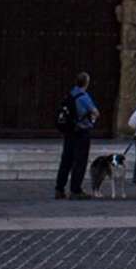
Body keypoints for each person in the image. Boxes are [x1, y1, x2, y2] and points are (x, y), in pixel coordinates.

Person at [54, 72, 99, 200]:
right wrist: (93, 119)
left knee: (66, 161)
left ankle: (59, 189)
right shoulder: (83, 96)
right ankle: (75, 190)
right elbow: (95, 112)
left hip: (69, 131)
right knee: (79, 161)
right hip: (81, 132)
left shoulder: (70, 93)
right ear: (86, 83)